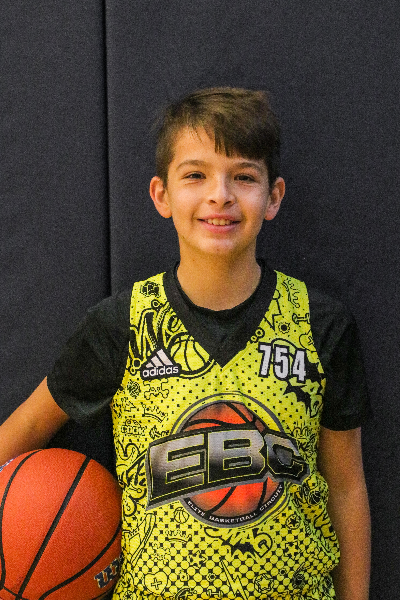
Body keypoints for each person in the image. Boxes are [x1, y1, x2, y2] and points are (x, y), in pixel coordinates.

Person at [0, 87, 371, 600]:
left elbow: (347, 488)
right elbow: (26, 428)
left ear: (274, 197)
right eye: (196, 175)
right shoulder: (125, 323)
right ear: (162, 195)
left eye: (244, 177)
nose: (220, 195)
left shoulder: (320, 323)